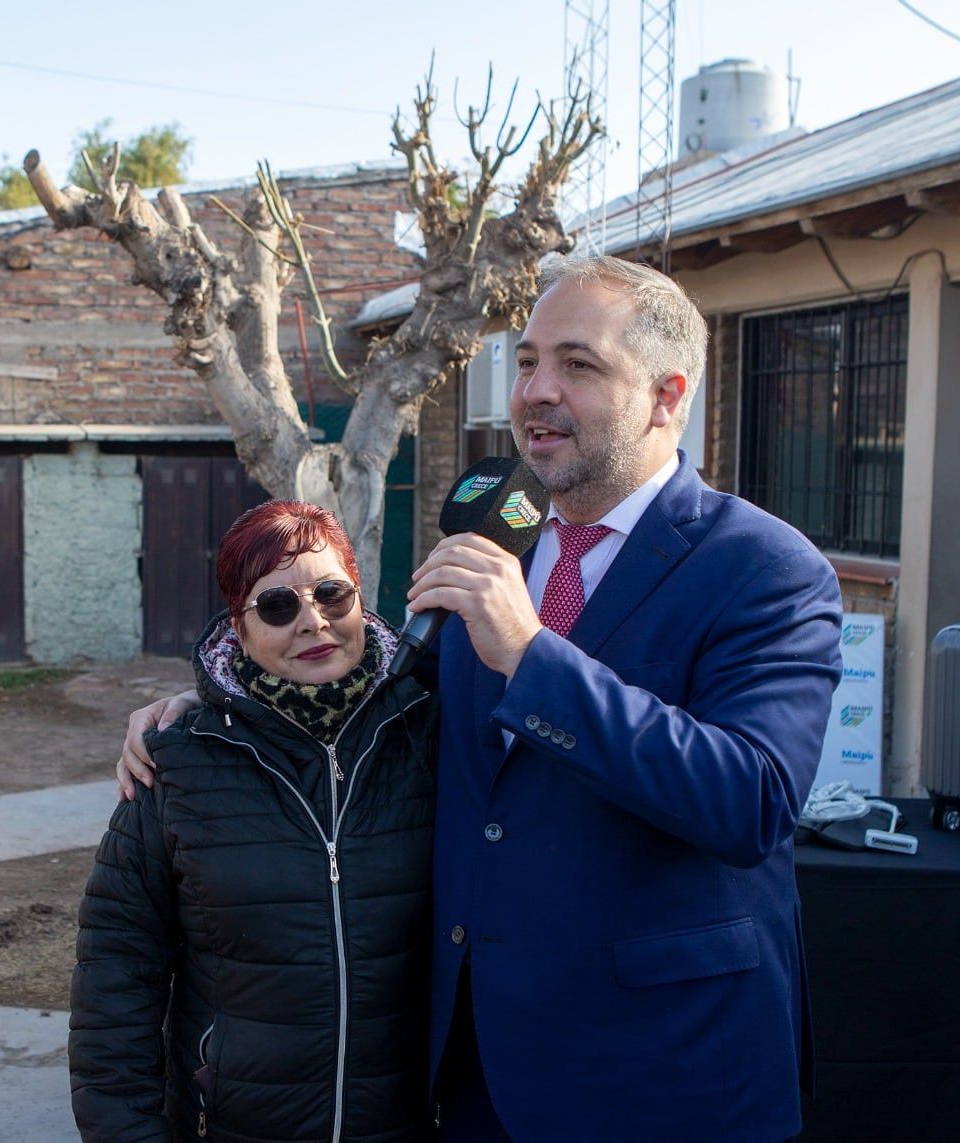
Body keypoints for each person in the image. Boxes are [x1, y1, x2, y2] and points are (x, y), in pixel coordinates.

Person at [120, 255, 843, 1141]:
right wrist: (212, 708)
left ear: (666, 395)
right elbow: (381, 709)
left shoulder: (765, 568)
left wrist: (534, 657)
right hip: (475, 1074)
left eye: (577, 365)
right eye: (528, 359)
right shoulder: (497, 539)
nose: (536, 389)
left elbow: (754, 798)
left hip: (664, 1076)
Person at [70, 500, 438, 1142]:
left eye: (331, 593)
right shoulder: (178, 763)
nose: (312, 621)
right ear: (238, 629)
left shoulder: (429, 732)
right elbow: (116, 977)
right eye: (277, 606)